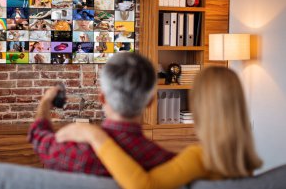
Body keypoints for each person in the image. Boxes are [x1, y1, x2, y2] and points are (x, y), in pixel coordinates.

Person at [56, 66, 263, 189]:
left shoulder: (200, 158)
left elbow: (143, 186)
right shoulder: (244, 160)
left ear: (201, 108)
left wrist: (95, 136)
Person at [27, 52, 175, 176]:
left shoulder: (70, 154)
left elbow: (38, 136)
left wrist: (46, 101)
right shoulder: (165, 162)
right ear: (151, 101)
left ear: (102, 97)